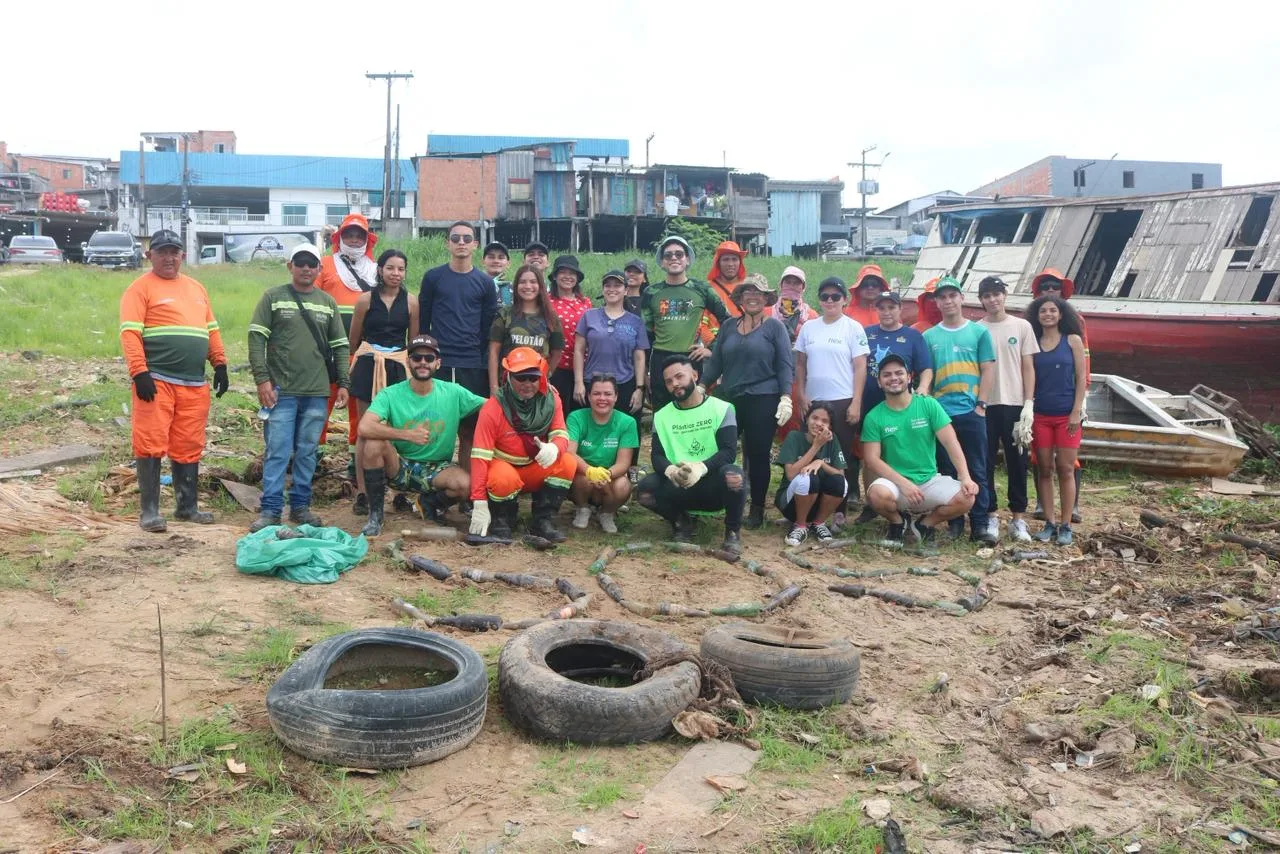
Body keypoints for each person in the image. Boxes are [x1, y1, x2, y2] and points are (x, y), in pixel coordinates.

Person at [119, 229, 228, 532]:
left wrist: (220, 363)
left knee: (188, 444)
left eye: (174, 252)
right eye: (162, 252)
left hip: (194, 383)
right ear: (149, 255)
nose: (169, 257)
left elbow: (212, 329)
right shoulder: (139, 289)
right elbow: (130, 333)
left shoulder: (196, 288)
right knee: (151, 442)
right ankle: (150, 512)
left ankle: (187, 507)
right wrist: (139, 372)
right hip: (156, 381)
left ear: (182, 255)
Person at [248, 244, 350, 531]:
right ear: (290, 266)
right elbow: (256, 339)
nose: (306, 268)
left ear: (319, 269)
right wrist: (262, 380)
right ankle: (270, 510)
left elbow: (340, 346)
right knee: (278, 450)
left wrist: (343, 382)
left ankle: (301, 507)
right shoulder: (273, 297)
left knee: (307, 451)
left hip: (317, 393)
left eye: (312, 264)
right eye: (300, 263)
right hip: (281, 391)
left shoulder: (327, 302)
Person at [356, 335, 485, 536]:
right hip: (399, 464)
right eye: (417, 358)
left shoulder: (454, 392)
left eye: (429, 358)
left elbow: (492, 404)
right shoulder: (391, 393)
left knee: (465, 485)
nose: (423, 362)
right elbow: (364, 427)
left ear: (438, 363)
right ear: (408, 362)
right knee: (373, 443)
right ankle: (375, 515)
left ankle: (428, 503)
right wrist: (406, 434)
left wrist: (532, 390)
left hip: (437, 468)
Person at [700, 273, 794, 530]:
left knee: (758, 454)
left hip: (763, 397)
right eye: (747, 293)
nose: (752, 297)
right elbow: (716, 361)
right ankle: (726, 500)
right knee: (723, 451)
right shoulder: (730, 325)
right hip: (730, 397)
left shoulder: (775, 327)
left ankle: (757, 508)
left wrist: (786, 396)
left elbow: (785, 364)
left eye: (758, 293)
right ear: (740, 298)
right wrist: (700, 385)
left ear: (765, 299)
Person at [862, 353, 979, 544]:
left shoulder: (928, 405)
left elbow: (951, 443)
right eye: (887, 375)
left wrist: (965, 477)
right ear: (879, 382)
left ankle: (925, 525)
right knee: (876, 495)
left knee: (967, 498)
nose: (893, 378)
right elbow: (872, 460)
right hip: (896, 484)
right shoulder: (874, 416)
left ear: (909, 377)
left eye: (899, 373)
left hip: (929, 480)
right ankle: (898, 522)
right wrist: (904, 484)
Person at [636, 355, 746, 553]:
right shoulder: (661, 416)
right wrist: (670, 470)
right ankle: (681, 522)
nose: (675, 384)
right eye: (669, 381)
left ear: (695, 375)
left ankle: (732, 532)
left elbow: (728, 452)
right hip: (679, 484)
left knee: (734, 476)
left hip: (712, 484)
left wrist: (700, 467)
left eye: (679, 376)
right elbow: (657, 456)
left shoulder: (721, 409)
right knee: (644, 491)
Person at [469, 347, 579, 542]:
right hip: (504, 468)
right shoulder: (493, 407)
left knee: (568, 463)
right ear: (509, 376)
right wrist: (479, 501)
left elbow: (561, 434)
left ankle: (543, 520)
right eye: (521, 377)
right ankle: (502, 519)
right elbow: (480, 456)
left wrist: (554, 448)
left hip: (534, 467)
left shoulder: (552, 399)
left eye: (533, 377)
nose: (527, 383)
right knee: (503, 478)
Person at [924, 276, 997, 544]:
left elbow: (988, 369)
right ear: (937, 302)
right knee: (946, 470)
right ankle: (954, 522)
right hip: (941, 414)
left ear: (961, 298)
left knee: (977, 469)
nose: (948, 301)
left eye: (952, 295)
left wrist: (981, 405)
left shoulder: (978, 332)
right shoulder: (929, 336)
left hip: (971, 411)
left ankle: (979, 524)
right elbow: (927, 374)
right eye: (942, 297)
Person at [419, 221, 498, 466]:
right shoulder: (433, 278)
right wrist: (425, 357)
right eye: (456, 238)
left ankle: (465, 486)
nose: (461, 243)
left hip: (472, 363)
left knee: (469, 430)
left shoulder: (485, 283)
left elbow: (488, 326)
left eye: (466, 238)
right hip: (439, 362)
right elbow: (424, 320)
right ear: (448, 243)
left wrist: (483, 361)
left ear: (475, 244)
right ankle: (432, 483)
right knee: (434, 426)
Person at [346, 249, 419, 514]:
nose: (395, 274)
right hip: (367, 365)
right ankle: (364, 493)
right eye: (390, 268)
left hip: (398, 367)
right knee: (366, 429)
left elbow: (414, 342)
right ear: (380, 270)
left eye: (401, 269)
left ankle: (400, 490)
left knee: (399, 427)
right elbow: (352, 341)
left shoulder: (411, 302)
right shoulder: (365, 300)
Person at [794, 276, 869, 530]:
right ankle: (807, 505)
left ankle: (839, 509)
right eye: (825, 297)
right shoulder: (809, 328)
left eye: (835, 297)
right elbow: (801, 364)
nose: (830, 301)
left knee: (840, 456)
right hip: (814, 401)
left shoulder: (853, 328)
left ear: (844, 300)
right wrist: (801, 395)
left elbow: (860, 367)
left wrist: (856, 401)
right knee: (810, 451)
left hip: (843, 399)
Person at [856, 289, 934, 524]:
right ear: (876, 310)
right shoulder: (865, 334)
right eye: (882, 307)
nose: (887, 312)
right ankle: (871, 503)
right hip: (871, 402)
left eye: (892, 307)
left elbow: (926, 368)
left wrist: (924, 388)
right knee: (869, 455)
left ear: (900, 309)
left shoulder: (913, 336)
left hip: (902, 402)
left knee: (901, 448)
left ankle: (910, 497)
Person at [978, 276, 1037, 543]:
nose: (993, 300)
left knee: (1017, 462)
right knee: (986, 462)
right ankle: (990, 515)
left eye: (997, 294)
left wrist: (1029, 403)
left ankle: (1018, 519)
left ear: (1005, 295)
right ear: (981, 300)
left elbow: (1028, 367)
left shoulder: (1022, 326)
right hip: (985, 405)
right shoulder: (977, 329)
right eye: (987, 295)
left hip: (1014, 404)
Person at [315, 213, 378, 464]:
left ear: (367, 239)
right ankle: (314, 457)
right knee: (321, 404)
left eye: (358, 235)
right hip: (329, 350)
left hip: (363, 350)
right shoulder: (324, 264)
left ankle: (357, 461)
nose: (353, 239)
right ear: (339, 237)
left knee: (358, 406)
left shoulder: (376, 270)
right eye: (348, 234)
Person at [1030, 268, 1090, 524]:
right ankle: (1047, 516)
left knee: (1067, 466)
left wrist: (1078, 407)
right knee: (1042, 466)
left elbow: (1083, 371)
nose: (1050, 292)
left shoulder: (1076, 334)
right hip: (1040, 413)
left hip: (1068, 411)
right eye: (1045, 288)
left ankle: (1068, 517)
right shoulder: (1030, 336)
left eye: (1055, 287)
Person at [643, 236, 730, 410]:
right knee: (662, 413)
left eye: (679, 254)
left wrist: (710, 349)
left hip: (690, 358)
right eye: (668, 255)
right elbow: (646, 334)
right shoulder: (651, 292)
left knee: (692, 409)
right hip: (660, 358)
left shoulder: (702, 289)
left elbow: (727, 320)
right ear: (662, 261)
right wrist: (644, 372)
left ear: (687, 259)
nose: (674, 258)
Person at [567, 374, 640, 534]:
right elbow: (569, 453)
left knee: (623, 485)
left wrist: (606, 474)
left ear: (616, 397)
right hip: (583, 475)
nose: (602, 398)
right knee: (581, 479)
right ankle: (583, 508)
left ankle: (607, 513)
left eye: (607, 394)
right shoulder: (576, 417)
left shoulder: (627, 422)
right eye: (596, 393)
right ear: (589, 396)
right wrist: (590, 471)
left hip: (610, 477)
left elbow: (624, 462)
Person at [574, 270, 649, 416]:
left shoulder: (636, 322)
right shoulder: (589, 316)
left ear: (626, 290)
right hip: (593, 383)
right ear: (603, 290)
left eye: (617, 286)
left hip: (624, 383)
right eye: (608, 286)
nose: (612, 289)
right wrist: (578, 382)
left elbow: (639, 357)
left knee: (625, 430)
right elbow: (578, 350)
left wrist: (639, 389)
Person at [776, 403, 848, 546]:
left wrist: (821, 463)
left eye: (824, 421)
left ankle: (818, 523)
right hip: (791, 504)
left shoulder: (833, 441)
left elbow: (840, 474)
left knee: (841, 483)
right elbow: (790, 474)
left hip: (818, 504)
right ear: (807, 419)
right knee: (808, 478)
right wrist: (816, 447)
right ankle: (800, 525)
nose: (818, 423)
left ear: (830, 426)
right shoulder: (794, 437)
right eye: (814, 418)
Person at [488, 265, 564, 394]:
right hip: (508, 386)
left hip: (536, 386)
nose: (528, 286)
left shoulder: (551, 317)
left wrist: (544, 378)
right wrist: (494, 387)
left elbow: (557, 353)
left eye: (533, 282)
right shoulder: (505, 314)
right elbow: (493, 352)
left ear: (541, 286)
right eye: (522, 282)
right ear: (516, 286)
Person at [771, 265, 818, 439]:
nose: (792, 286)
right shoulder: (769, 312)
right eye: (788, 281)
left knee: (797, 416)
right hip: (773, 372)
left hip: (800, 372)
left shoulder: (811, 315)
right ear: (781, 284)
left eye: (796, 283)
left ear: (803, 287)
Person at [545, 255, 594, 414]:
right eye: (563, 272)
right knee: (557, 411)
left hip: (581, 367)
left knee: (579, 412)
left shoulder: (585, 302)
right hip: (556, 366)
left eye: (572, 273)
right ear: (555, 276)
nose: (567, 277)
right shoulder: (546, 301)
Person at [697, 240, 748, 345]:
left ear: (740, 262)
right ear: (718, 263)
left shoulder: (748, 287)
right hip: (714, 345)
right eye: (725, 259)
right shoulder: (707, 288)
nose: (730, 264)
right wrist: (713, 346)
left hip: (744, 345)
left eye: (734, 259)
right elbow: (700, 323)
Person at [844, 263, 888, 329]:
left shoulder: (889, 313)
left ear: (881, 289)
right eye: (865, 284)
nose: (870, 288)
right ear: (857, 288)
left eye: (875, 284)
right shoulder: (846, 313)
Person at [483, 241, 512, 308]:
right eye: (491, 257)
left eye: (501, 257)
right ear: (483, 262)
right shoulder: (475, 285)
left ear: (508, 263)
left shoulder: (514, 288)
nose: (496, 261)